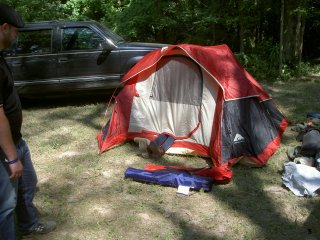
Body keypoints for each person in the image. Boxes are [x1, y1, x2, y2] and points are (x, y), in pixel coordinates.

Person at [0, 3, 56, 238]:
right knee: (5, 206)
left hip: (16, 141)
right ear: (4, 27)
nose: (17, 34)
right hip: (4, 148)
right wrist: (12, 157)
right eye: (15, 30)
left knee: (28, 186)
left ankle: (28, 224)